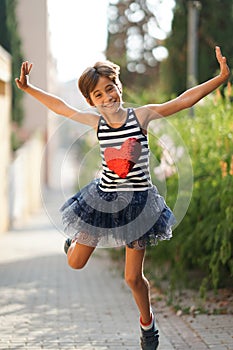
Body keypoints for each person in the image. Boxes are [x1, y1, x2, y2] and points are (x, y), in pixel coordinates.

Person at [15, 46, 230, 350]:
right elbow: (60, 107)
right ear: (91, 101)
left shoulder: (140, 116)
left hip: (138, 205)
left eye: (109, 89)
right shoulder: (97, 124)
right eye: (98, 95)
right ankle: (72, 244)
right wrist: (27, 87)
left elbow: (182, 101)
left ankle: (148, 324)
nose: (107, 97)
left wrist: (220, 78)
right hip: (102, 200)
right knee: (75, 263)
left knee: (132, 278)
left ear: (118, 87)